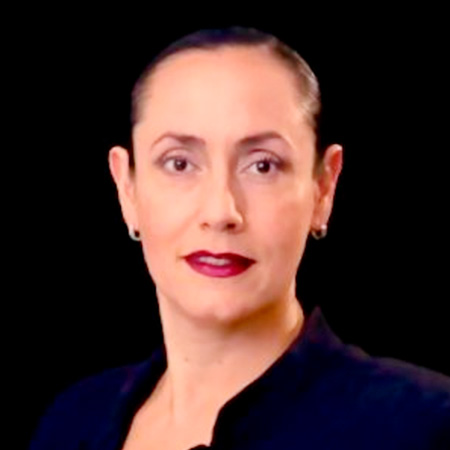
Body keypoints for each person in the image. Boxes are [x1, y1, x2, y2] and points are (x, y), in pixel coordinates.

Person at [29, 26, 450, 450]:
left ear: (323, 188)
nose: (220, 213)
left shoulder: (424, 423)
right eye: (179, 163)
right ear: (127, 188)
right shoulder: (71, 423)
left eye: (263, 166)